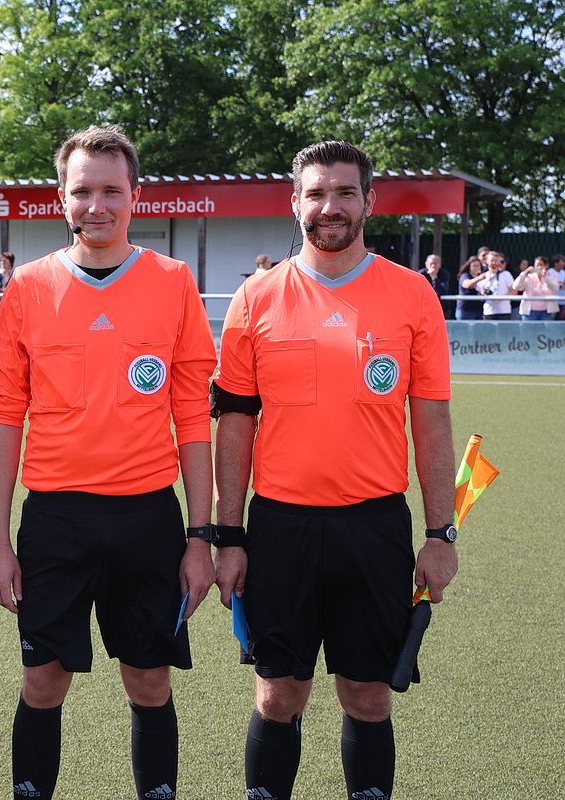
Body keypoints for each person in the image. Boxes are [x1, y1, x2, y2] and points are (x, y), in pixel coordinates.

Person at [212, 140, 458, 800]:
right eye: (317, 193)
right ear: (295, 202)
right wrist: (227, 536)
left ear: (368, 201)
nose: (331, 207)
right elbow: (234, 426)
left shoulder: (412, 294)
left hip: (374, 527)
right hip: (280, 527)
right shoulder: (255, 298)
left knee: (368, 695)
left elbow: (431, 423)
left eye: (345, 192)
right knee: (277, 694)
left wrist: (441, 534)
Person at [0, 126, 217, 800]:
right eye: (82, 191)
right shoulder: (28, 288)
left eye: (111, 190)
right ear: (61, 197)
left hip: (148, 516)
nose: (97, 206)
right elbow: (5, 419)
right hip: (55, 519)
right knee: (43, 679)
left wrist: (199, 538)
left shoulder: (173, 282)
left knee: (149, 678)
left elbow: (192, 420)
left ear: (134, 195)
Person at [513, 255, 559, 321]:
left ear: (546, 266)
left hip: (546, 311)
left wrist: (545, 277)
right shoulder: (529, 277)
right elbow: (516, 287)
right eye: (537, 265)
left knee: (546, 327)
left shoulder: (551, 276)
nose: (539, 267)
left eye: (541, 265)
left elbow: (555, 288)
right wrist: (524, 274)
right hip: (530, 311)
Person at [479, 250, 516, 320]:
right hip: (488, 311)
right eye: (492, 260)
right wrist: (482, 292)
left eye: (496, 261)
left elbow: (514, 291)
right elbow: (479, 292)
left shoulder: (506, 274)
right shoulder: (483, 276)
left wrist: (502, 298)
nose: (494, 263)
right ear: (486, 261)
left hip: (504, 312)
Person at [418, 253, 453, 319]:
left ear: (440, 264)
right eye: (431, 263)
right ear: (426, 264)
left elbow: (443, 291)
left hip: (442, 306)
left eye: (435, 264)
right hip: (426, 306)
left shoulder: (444, 274)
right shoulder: (421, 274)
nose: (433, 266)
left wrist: (434, 277)